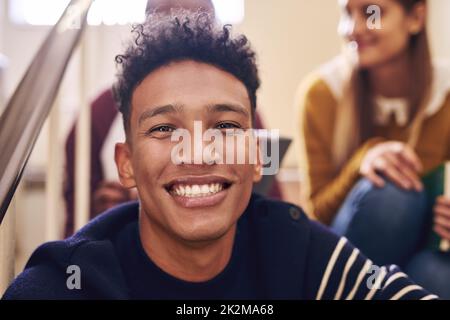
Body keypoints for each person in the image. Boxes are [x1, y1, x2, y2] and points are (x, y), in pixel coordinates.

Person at [3, 11, 436, 300]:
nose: (198, 153)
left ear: (255, 153)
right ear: (127, 163)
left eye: (226, 126)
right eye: (165, 128)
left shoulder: (296, 252)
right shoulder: (71, 282)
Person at [63, 0, 281, 237]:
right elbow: (74, 224)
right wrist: (101, 213)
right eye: (164, 128)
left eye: (223, 126)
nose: (184, 29)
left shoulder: (248, 117)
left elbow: (274, 206)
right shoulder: (94, 117)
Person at [297, 0, 450, 297]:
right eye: (346, 13)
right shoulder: (321, 94)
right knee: (393, 195)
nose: (352, 29)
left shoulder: (445, 95)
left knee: (439, 275)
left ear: (416, 17)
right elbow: (316, 215)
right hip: (352, 264)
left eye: (371, 13)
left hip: (426, 259)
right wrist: (361, 163)